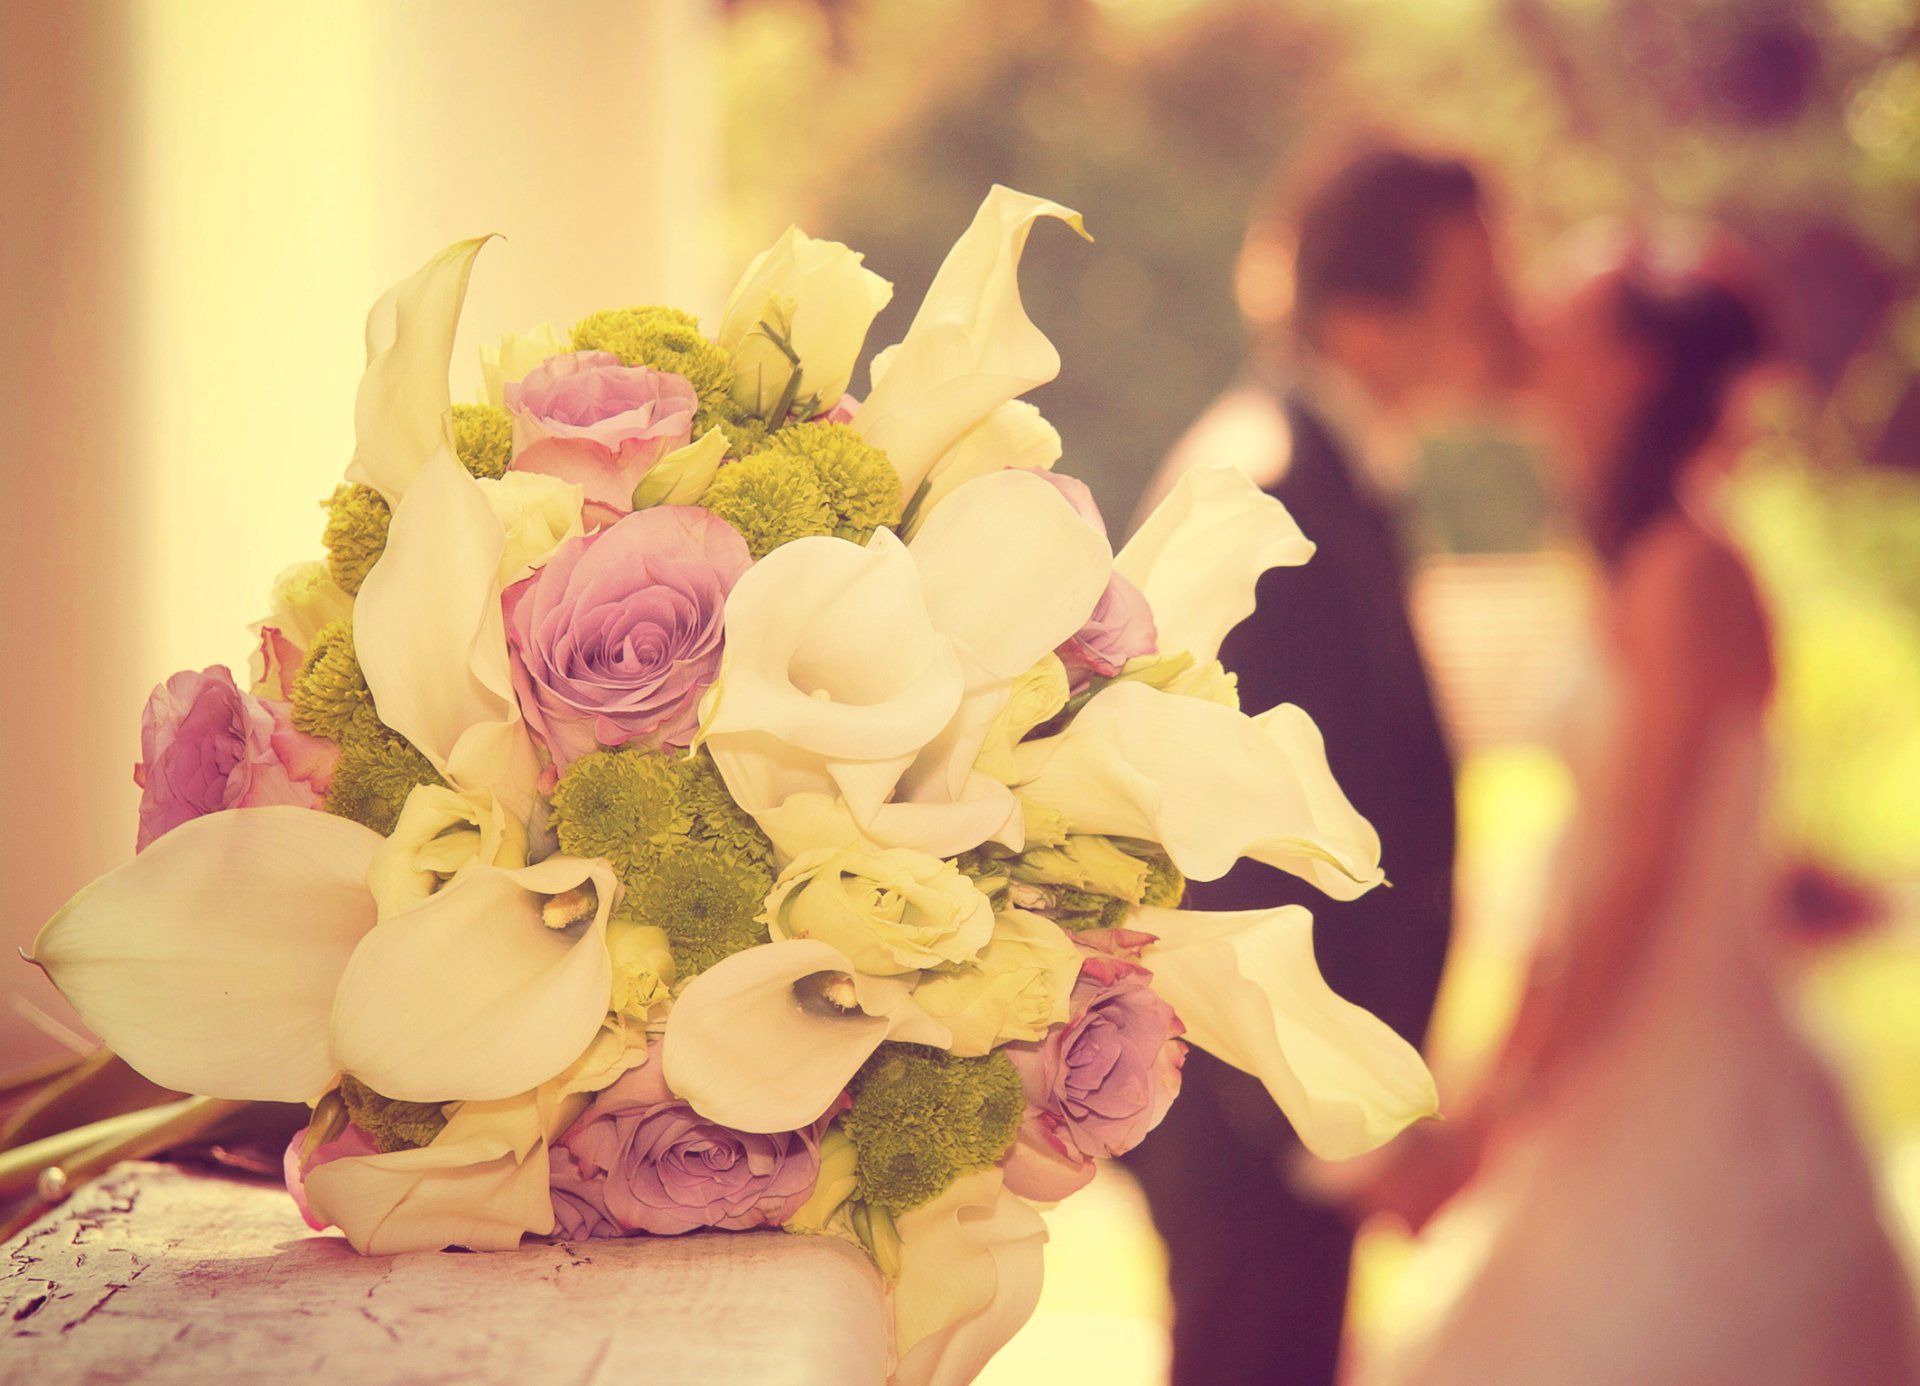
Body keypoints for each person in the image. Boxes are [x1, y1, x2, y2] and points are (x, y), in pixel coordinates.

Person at [1345, 243, 1920, 1383]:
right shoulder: (1643, 565)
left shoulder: (1686, 574)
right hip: (1638, 1061)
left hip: (1678, 1082)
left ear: (1636, 366)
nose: (1535, 313)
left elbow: (1634, 873)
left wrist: (1493, 1115)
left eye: (1576, 303)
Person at [1123, 146, 1525, 1386]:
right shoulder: (1272, 490)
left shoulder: (1327, 469)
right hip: (1258, 1130)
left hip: (1290, 1124)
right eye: (1477, 298)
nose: (1506, 325)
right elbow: (1223, 845)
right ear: (1363, 317)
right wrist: (1332, 1132)